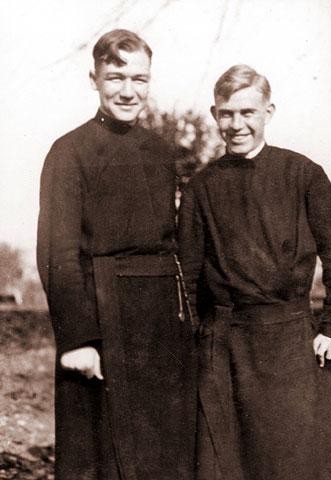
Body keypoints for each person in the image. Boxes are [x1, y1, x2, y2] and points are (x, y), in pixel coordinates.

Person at [179, 64, 331, 480]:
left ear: (268, 112)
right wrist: (194, 344)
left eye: (248, 112)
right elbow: (185, 277)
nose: (237, 124)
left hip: (291, 345)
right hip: (225, 349)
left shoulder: (302, 174)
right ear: (214, 114)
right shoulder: (200, 188)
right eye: (227, 113)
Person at [37, 29, 196, 480]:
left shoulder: (161, 152)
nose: (128, 91)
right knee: (101, 457)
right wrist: (78, 339)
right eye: (116, 77)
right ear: (95, 79)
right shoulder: (69, 152)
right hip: (101, 321)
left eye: (139, 79)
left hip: (160, 326)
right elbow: (57, 252)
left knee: (164, 452)